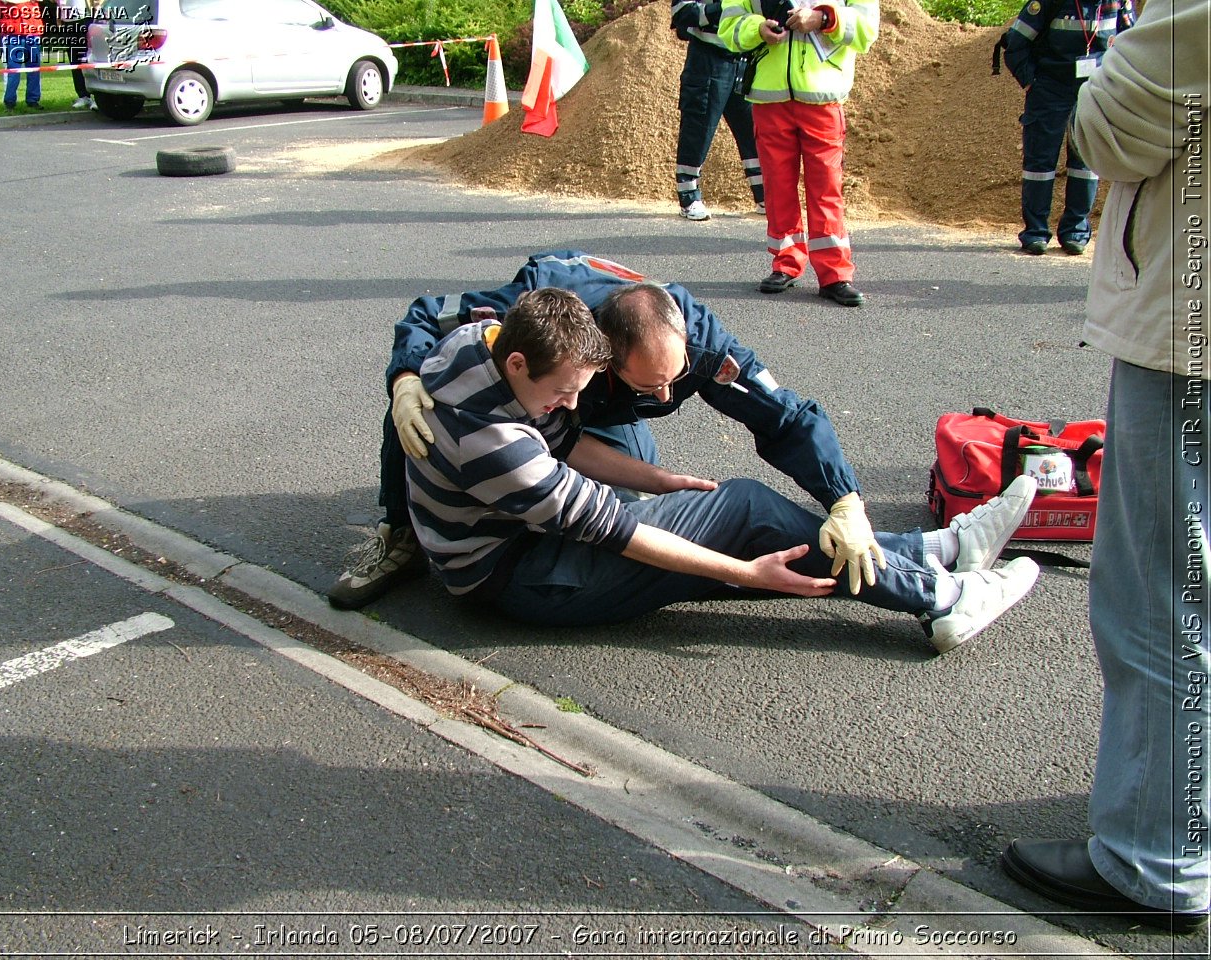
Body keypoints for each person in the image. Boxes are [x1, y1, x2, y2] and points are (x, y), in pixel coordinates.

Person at [403, 286, 1040, 653]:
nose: (574, 405)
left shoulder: (473, 345)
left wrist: (661, 482)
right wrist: (744, 572)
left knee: (733, 518)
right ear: (519, 363)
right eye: (565, 392)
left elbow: (565, 443)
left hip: (518, 548)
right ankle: (943, 597)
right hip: (523, 576)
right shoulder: (497, 444)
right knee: (743, 513)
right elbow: (613, 527)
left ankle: (933, 548)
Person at [329, 251, 890, 610]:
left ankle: (899, 553)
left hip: (579, 421)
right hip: (559, 408)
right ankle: (400, 533)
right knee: (417, 405)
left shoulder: (701, 345)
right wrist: (404, 377)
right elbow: (429, 317)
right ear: (605, 353)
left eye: (674, 381)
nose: (667, 398)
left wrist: (845, 499)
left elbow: (785, 416)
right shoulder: (537, 309)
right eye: (651, 387)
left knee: (644, 518)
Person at [999, 0, 1210, 932]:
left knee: (1164, 598)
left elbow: (1115, 130)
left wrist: (1113, 52)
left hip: (1192, 328)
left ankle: (1158, 858)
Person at [719, 1, 877, 307]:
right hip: (770, 99)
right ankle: (785, 262)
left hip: (822, 100)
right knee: (778, 188)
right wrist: (757, 29)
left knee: (826, 189)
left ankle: (834, 274)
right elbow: (729, 26)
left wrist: (823, 18)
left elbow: (867, 30)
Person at [1002, 0, 1134, 256]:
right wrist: (1032, 84)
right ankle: (1035, 233)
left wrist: (1117, 87)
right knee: (1039, 164)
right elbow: (1016, 44)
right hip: (1050, 90)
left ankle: (1075, 232)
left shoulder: (1117, 2)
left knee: (1086, 163)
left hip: (1095, 91)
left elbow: (1132, 45)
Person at [670, 1, 766, 221]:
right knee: (698, 128)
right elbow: (681, 13)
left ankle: (764, 195)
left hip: (745, 59)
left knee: (755, 130)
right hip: (707, 59)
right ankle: (688, 196)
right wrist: (723, 8)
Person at [0, 0, 45, 111]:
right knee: (13, 69)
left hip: (33, 30)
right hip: (12, 32)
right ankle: (9, 102)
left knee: (34, 68)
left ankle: (33, 100)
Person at [56, 0, 94, 109]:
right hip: (67, 22)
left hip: (85, 19)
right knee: (75, 62)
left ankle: (98, 96)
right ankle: (83, 96)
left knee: (89, 59)